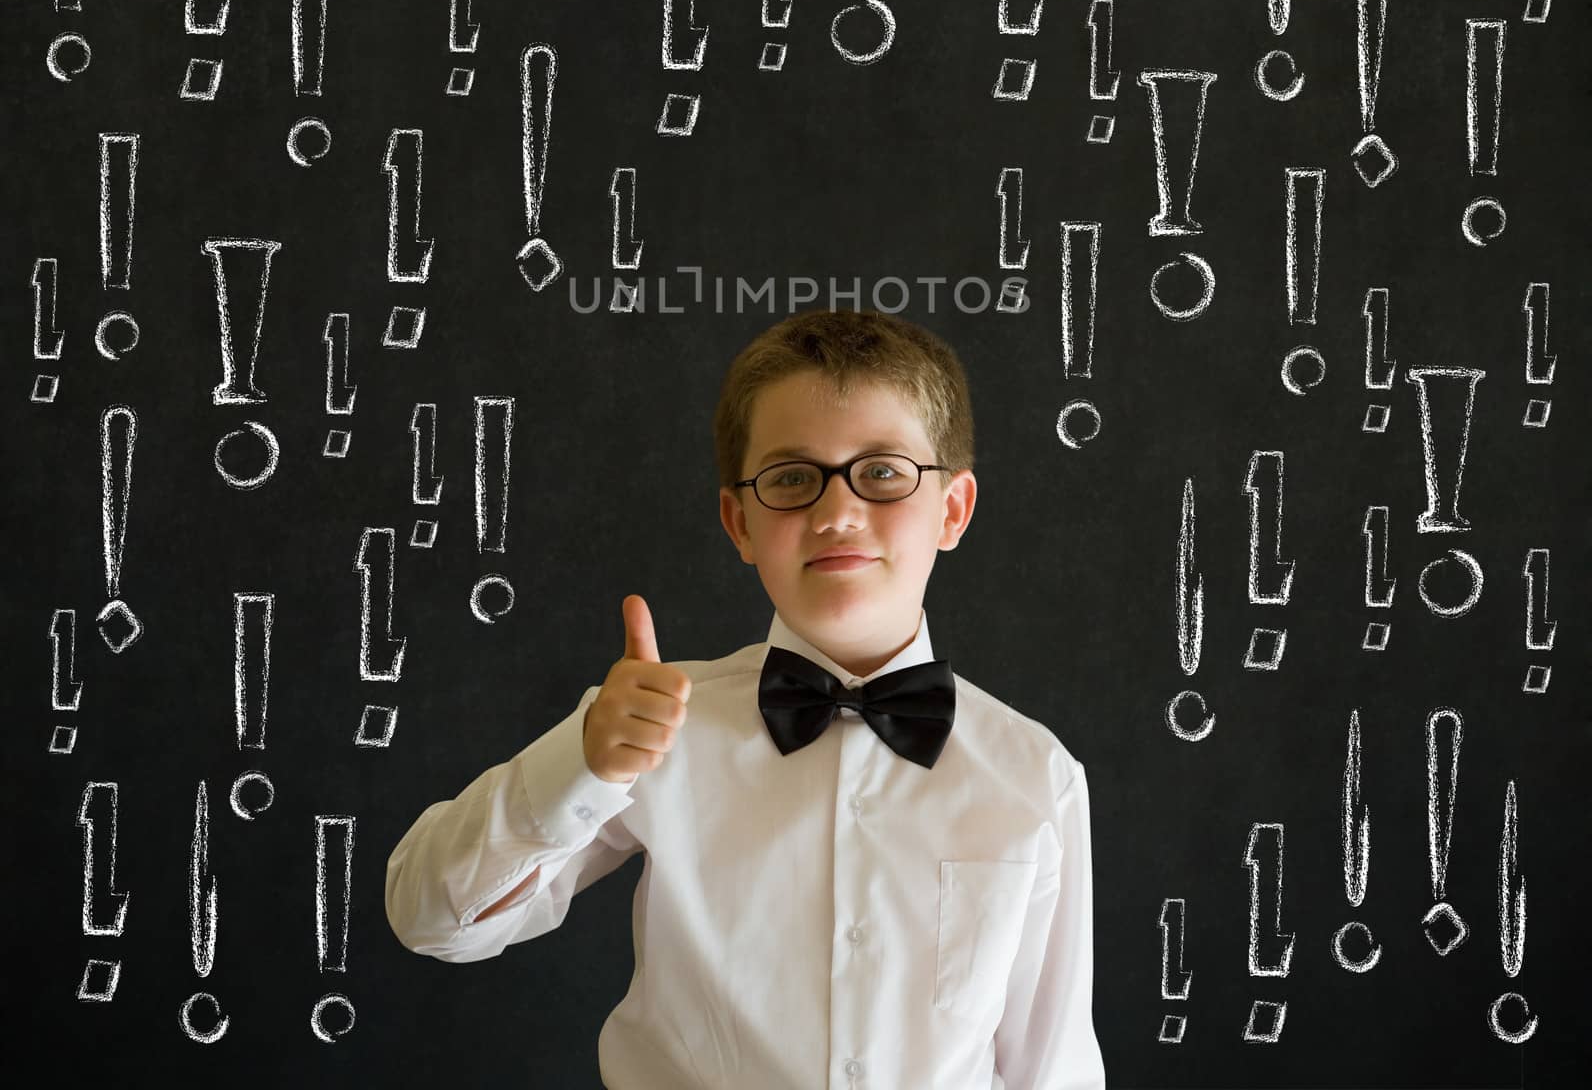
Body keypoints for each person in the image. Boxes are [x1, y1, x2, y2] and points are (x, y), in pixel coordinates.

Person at [385, 308, 1106, 1089]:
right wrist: (583, 764)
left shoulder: (1037, 774)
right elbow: (429, 921)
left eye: (884, 472)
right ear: (739, 522)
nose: (837, 514)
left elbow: (1051, 1067)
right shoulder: (654, 724)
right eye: (793, 478)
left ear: (953, 509)